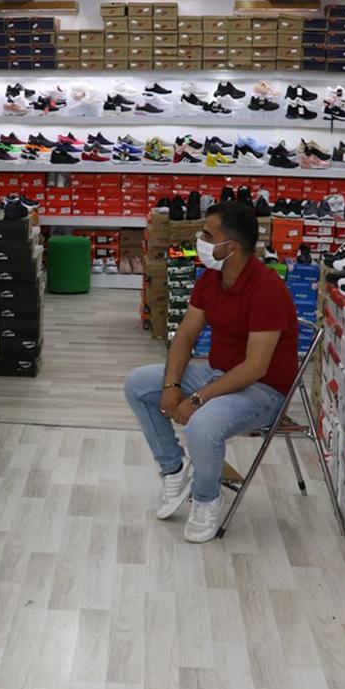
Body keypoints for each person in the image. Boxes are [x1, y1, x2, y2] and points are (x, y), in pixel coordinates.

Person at [124, 200, 299, 542]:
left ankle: (206, 499)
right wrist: (172, 385)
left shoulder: (268, 290)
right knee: (138, 384)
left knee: (202, 425)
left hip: (263, 391)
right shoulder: (211, 279)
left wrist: (198, 399)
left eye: (207, 236)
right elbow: (186, 334)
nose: (199, 241)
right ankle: (174, 469)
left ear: (231, 247)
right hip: (218, 374)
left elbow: (255, 368)